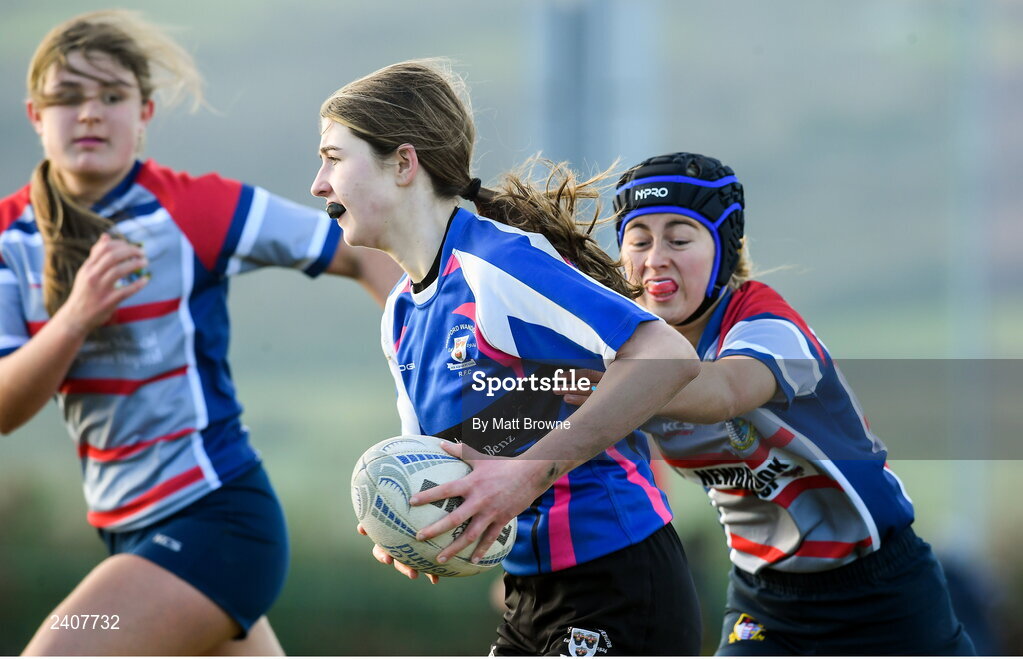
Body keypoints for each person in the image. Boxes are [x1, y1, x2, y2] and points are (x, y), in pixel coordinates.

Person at [0, 10, 399, 656]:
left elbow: (359, 252)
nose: (91, 114)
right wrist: (76, 316)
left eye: (111, 96)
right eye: (67, 98)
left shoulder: (196, 208)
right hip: (129, 534)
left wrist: (423, 364)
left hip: (219, 520)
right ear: (34, 116)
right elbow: (5, 406)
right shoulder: (8, 238)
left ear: (146, 112)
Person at [310, 60, 703, 656]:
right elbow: (449, 465)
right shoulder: (400, 314)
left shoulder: (496, 264)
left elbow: (667, 355)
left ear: (403, 164)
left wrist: (526, 474)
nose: (318, 183)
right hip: (528, 595)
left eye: (334, 157)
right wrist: (415, 523)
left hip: (617, 582)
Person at [558, 151, 976, 655]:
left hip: (881, 584)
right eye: (639, 240)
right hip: (764, 599)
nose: (655, 259)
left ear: (725, 249)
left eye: (680, 239)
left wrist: (614, 386)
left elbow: (723, 392)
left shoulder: (767, 325)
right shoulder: (627, 349)